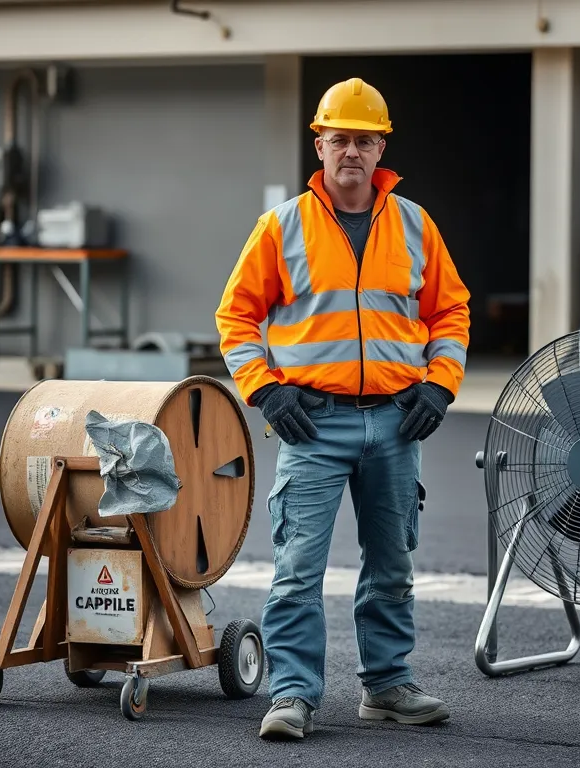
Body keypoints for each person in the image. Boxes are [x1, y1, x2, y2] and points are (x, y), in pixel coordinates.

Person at [215, 77, 470, 741]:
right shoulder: (282, 227)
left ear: (380, 146)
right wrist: (266, 389)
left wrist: (439, 383)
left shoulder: (414, 223)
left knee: (391, 565)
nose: (351, 150)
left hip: (394, 421)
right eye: (340, 139)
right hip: (312, 422)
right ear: (320, 145)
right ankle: (293, 696)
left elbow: (449, 310)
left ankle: (386, 687)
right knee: (298, 569)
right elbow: (236, 317)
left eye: (364, 140)